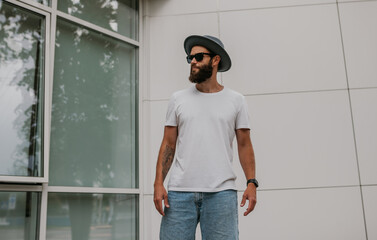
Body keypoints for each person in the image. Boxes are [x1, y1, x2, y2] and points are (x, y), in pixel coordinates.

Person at [153, 35, 258, 240]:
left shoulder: (236, 100)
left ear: (215, 60)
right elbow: (168, 143)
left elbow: (244, 145)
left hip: (221, 194)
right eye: (190, 58)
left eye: (199, 57)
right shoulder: (178, 99)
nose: (193, 61)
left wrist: (251, 182)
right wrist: (158, 183)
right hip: (179, 193)